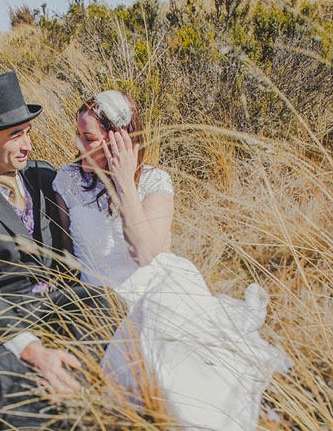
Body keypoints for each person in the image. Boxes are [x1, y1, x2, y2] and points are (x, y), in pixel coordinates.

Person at [52, 90, 291, 430]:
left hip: (151, 288)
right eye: (78, 135)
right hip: (100, 302)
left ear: (119, 140)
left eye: (88, 138)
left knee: (166, 331)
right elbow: (64, 253)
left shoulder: (154, 181)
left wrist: (123, 183)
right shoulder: (68, 180)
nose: (79, 145)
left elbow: (146, 253)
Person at [0, 72, 116, 430]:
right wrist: (34, 351)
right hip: (6, 322)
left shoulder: (46, 176)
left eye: (27, 132)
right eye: (16, 135)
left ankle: (82, 404)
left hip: (61, 304)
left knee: (105, 303)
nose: (27, 144)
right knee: (10, 378)